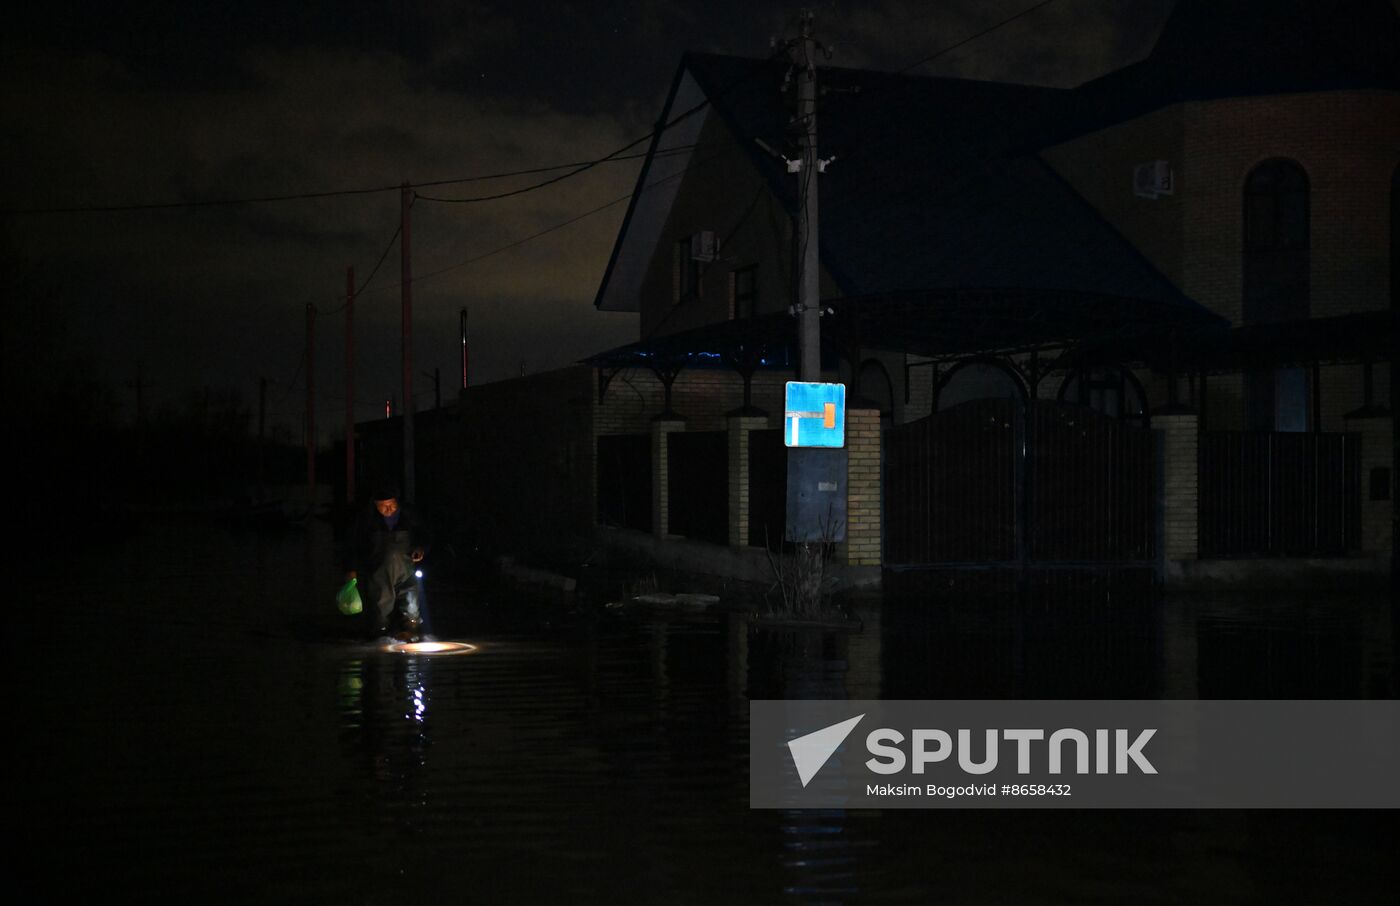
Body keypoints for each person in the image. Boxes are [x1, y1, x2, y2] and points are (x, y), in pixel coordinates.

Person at [344, 484, 432, 641]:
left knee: (411, 603)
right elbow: (354, 544)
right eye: (383, 506)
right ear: (375, 505)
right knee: (381, 605)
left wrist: (420, 548)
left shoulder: (409, 515)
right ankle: (381, 633)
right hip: (379, 572)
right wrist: (352, 569)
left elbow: (423, 534)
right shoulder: (367, 519)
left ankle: (411, 630)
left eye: (391, 504)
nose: (388, 509)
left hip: (407, 569)